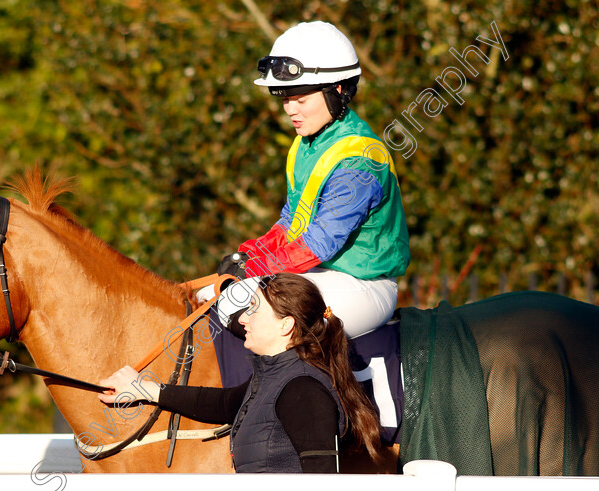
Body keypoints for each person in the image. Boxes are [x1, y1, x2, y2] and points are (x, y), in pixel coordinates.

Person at [208, 20, 411, 386]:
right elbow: (292, 220)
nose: (290, 109)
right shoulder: (306, 144)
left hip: (363, 285)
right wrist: (249, 253)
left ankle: (313, 429)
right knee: (219, 297)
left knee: (265, 315)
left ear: (337, 90)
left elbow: (319, 242)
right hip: (322, 273)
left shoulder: (359, 160)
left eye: (300, 98)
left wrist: (258, 266)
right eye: (286, 98)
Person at [98, 273, 382, 473]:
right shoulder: (272, 379)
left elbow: (322, 481)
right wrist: (143, 389)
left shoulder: (304, 390)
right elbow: (221, 403)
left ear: (286, 325)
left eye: (253, 310)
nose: (243, 318)